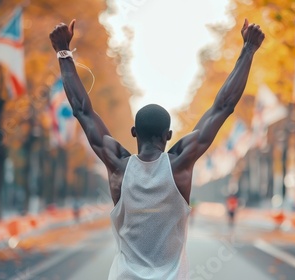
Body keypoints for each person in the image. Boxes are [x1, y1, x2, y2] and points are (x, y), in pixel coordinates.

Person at [49, 18, 264, 280]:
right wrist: (248, 49)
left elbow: (82, 110)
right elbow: (223, 106)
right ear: (169, 136)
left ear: (133, 133)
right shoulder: (180, 164)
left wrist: (63, 51)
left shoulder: (117, 165)